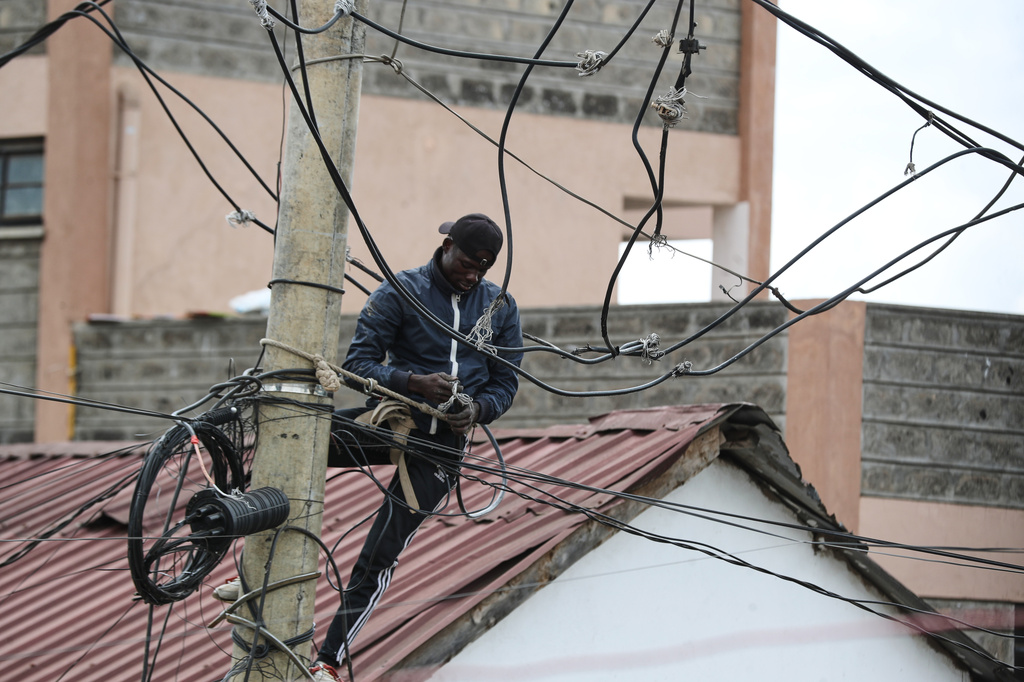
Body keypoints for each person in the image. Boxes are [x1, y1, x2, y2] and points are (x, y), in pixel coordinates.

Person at [309, 213, 523, 681]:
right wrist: (412, 383)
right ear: (446, 245)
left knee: (380, 553)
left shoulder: (500, 308)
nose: (472, 275)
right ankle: (237, 526)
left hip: (440, 446)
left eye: (482, 268)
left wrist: (478, 410)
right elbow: (357, 364)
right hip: (393, 419)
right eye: (466, 262)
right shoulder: (399, 291)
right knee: (300, 445)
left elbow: (506, 384)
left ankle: (327, 661)